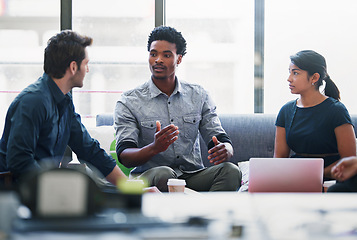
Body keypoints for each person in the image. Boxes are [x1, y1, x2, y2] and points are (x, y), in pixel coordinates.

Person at [114, 26, 242, 192]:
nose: (158, 60)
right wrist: (154, 147)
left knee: (231, 171)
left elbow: (218, 137)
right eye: (153, 54)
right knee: (165, 174)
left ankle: (206, 214)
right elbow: (124, 156)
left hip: (191, 175)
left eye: (166, 55)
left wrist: (226, 149)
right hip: (152, 177)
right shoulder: (129, 101)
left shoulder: (199, 95)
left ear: (179, 59)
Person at [0, 30, 127, 186]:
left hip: (43, 188)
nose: (87, 70)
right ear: (73, 67)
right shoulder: (33, 101)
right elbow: (20, 161)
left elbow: (89, 150)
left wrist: (132, 188)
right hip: (16, 191)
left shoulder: (64, 101)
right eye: (86, 64)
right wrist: (56, 188)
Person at [274, 50, 356, 180]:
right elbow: (279, 159)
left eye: (295, 73)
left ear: (314, 78)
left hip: (330, 177)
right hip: (295, 177)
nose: (289, 79)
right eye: (289, 72)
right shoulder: (286, 110)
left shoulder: (336, 110)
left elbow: (350, 160)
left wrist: (317, 175)